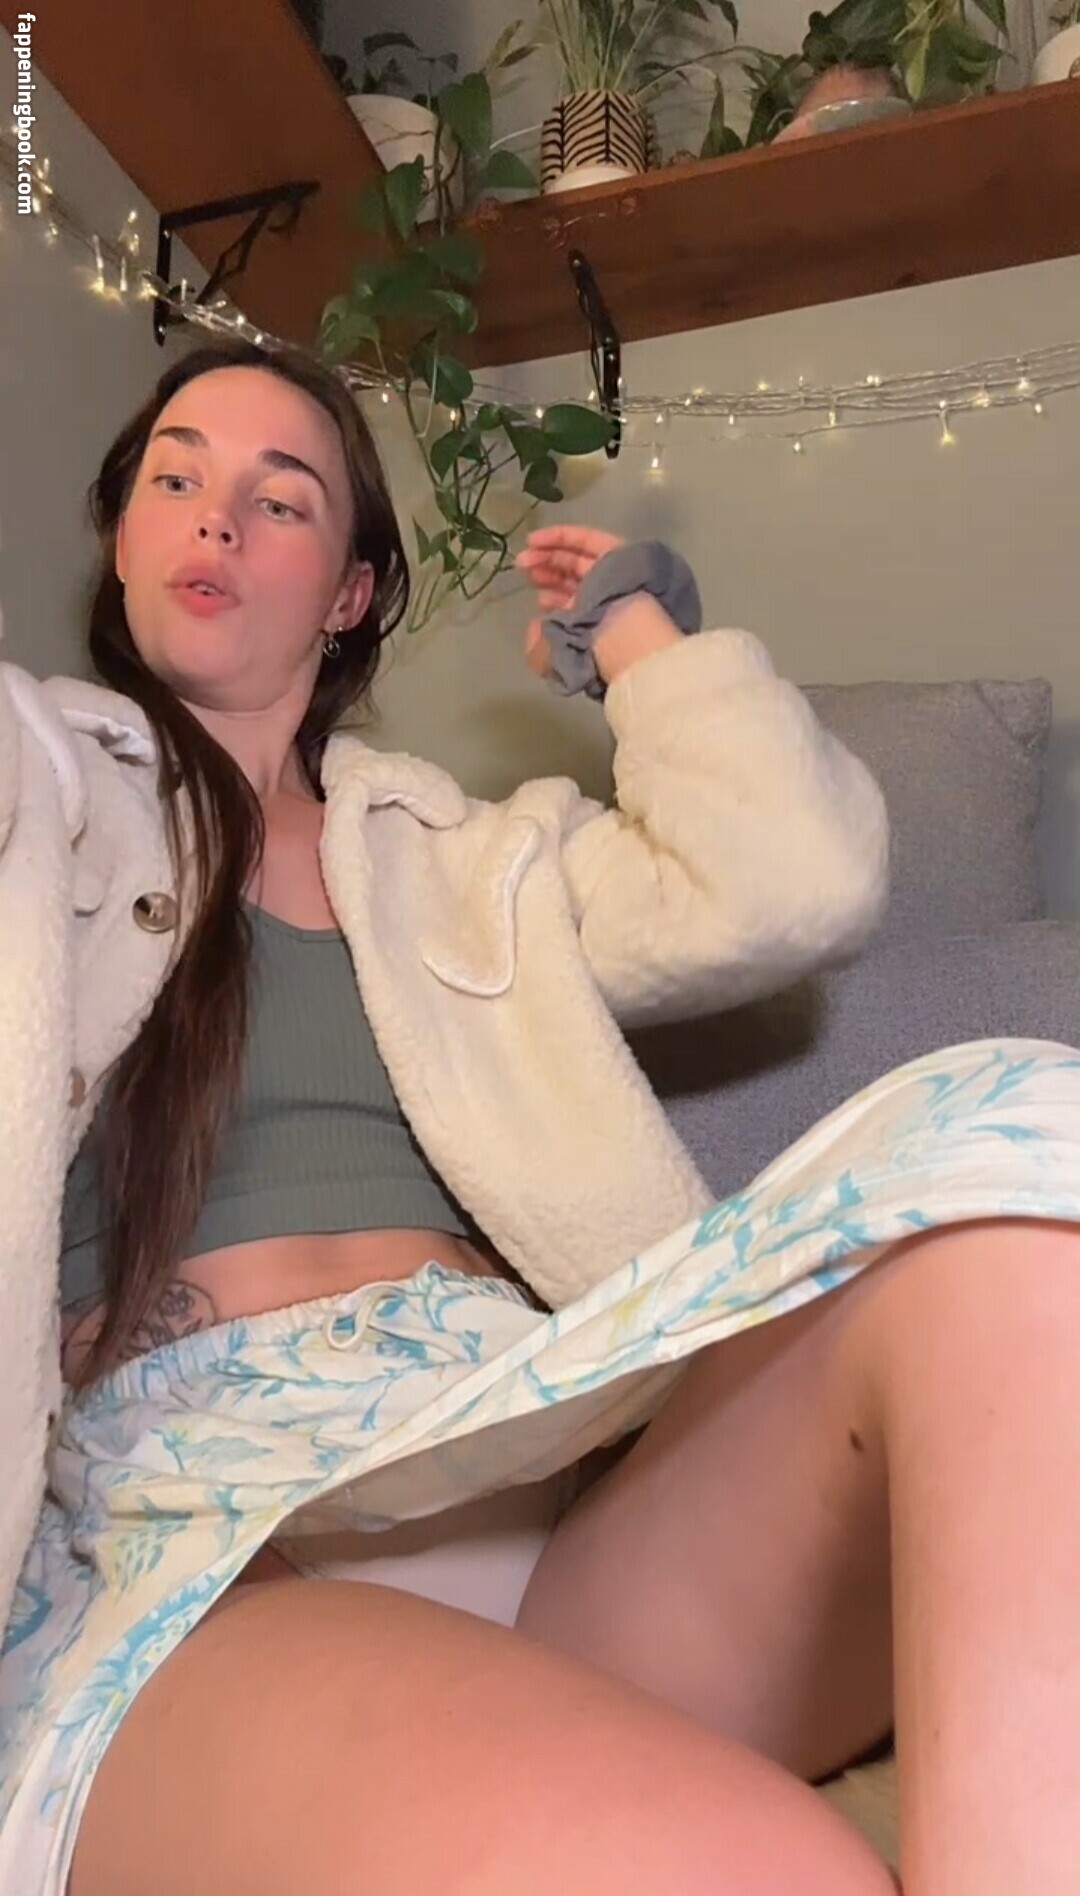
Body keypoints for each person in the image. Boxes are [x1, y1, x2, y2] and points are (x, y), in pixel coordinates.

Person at [0, 337, 1078, 1896]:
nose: (215, 517)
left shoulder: (463, 854)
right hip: (215, 1533)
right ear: (122, 542)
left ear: (351, 593)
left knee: (1025, 1182)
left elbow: (792, 883)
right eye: (175, 479)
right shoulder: (45, 794)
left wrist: (636, 639)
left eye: (278, 498)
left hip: (538, 1468)